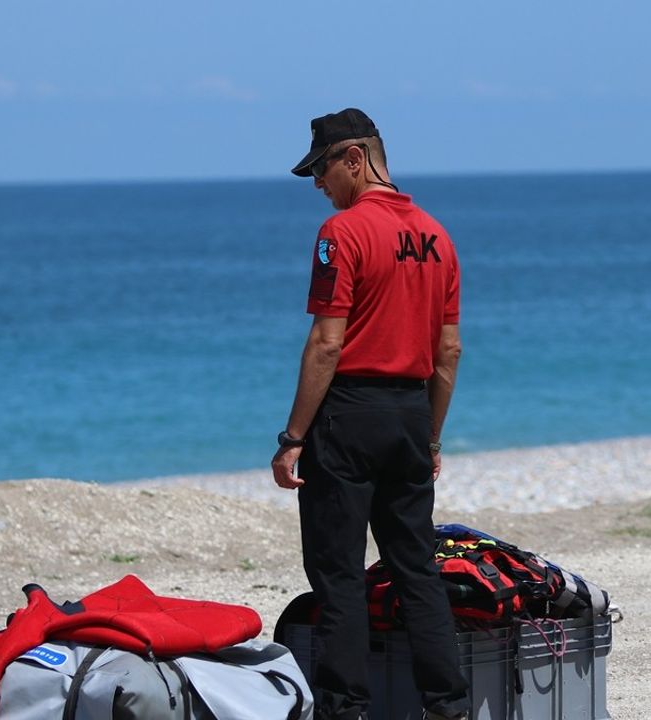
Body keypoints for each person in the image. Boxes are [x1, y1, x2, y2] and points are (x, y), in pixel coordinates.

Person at [271, 108, 469, 720]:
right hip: (410, 413)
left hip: (350, 414)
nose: (317, 184)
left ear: (354, 158)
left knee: (338, 573)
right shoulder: (439, 237)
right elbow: (448, 351)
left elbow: (327, 343)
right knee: (416, 568)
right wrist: (430, 437)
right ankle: (449, 706)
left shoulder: (342, 233)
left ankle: (346, 709)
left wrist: (292, 436)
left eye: (322, 168)